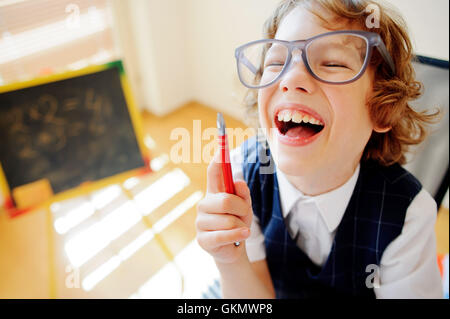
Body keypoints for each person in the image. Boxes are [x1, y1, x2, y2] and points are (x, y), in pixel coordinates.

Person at [196, 0, 443, 298]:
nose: (291, 78)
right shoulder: (241, 178)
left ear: (383, 110)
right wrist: (230, 261)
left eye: (333, 63)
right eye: (276, 62)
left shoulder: (408, 215)